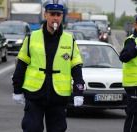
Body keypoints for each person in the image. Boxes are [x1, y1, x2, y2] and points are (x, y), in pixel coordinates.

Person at [12, 0, 85, 131]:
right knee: (32, 128)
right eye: (52, 14)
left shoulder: (70, 40)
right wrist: (17, 89)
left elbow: (76, 67)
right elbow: (21, 64)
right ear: (45, 15)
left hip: (58, 96)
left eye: (58, 15)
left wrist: (78, 92)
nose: (55, 18)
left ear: (62, 16)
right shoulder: (32, 38)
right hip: (35, 95)